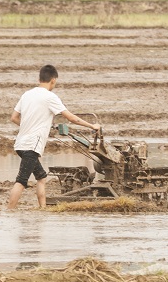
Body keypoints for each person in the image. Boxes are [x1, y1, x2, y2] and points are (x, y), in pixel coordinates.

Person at [7, 65, 100, 210]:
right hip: (32, 145)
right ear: (53, 80)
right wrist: (92, 126)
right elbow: (70, 118)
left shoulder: (27, 94)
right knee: (21, 180)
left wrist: (30, 126)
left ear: (39, 79)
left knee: (41, 177)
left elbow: (14, 118)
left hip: (20, 144)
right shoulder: (50, 97)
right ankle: (9, 211)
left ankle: (43, 208)